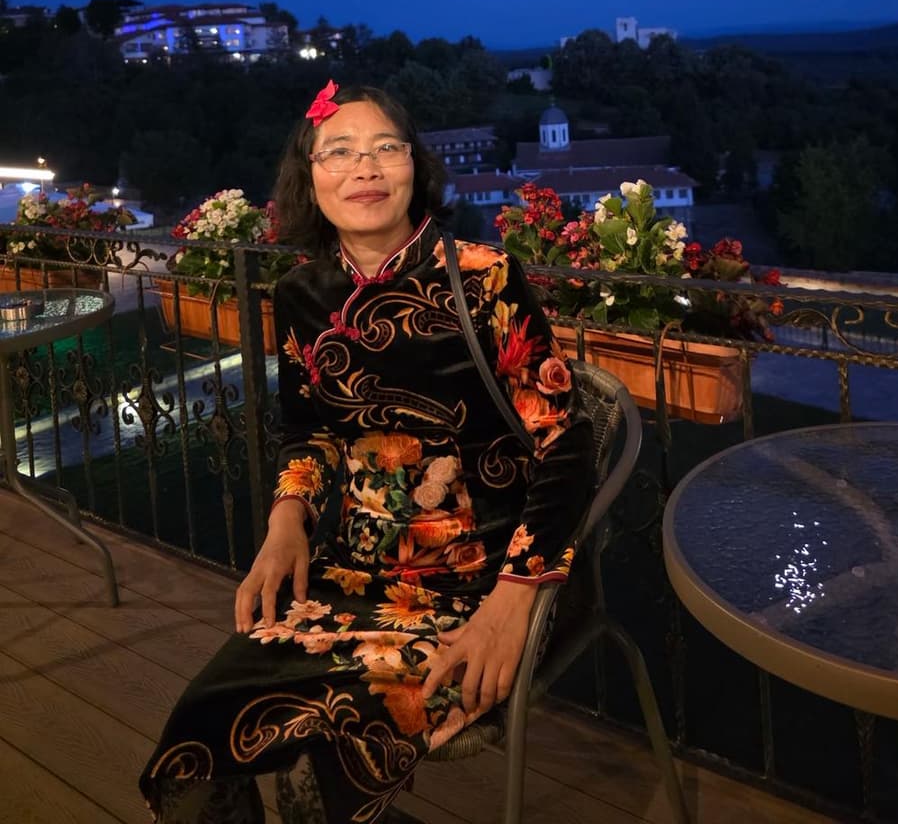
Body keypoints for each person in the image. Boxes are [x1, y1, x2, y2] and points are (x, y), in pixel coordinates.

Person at [140, 82, 595, 823]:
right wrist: (287, 519)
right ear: (309, 177)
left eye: (387, 147)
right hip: (351, 571)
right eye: (340, 151)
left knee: (328, 766)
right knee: (191, 747)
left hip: (485, 579)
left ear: (415, 166)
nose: (367, 168)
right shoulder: (300, 294)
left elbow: (566, 441)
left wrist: (514, 602)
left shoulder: (483, 278)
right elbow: (310, 431)